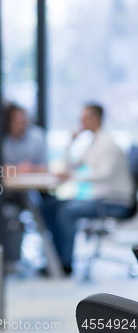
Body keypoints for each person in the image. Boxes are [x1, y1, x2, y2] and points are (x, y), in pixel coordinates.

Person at [41, 104, 135, 275]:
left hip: (114, 201)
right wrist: (71, 143)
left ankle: (65, 264)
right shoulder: (93, 143)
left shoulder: (108, 144)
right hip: (98, 198)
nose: (80, 122)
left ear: (95, 119)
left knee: (67, 211)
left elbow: (103, 174)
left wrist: (72, 176)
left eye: (84, 118)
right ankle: (54, 258)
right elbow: (71, 166)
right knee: (49, 206)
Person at [2, 103, 47, 175]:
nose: (21, 125)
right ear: (9, 123)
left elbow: (45, 168)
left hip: (34, 183)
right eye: (16, 121)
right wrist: (19, 169)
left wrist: (32, 169)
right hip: (10, 184)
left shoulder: (37, 137)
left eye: (23, 120)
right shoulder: (2, 140)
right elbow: (0, 169)